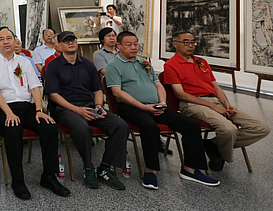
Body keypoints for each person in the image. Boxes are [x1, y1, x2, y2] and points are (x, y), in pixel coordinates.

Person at [106, 31, 219, 189]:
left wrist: (163, 103)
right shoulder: (113, 66)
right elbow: (117, 92)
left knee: (191, 125)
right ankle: (150, 171)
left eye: (135, 44)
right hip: (132, 108)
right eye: (128, 44)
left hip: (156, 105)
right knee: (150, 127)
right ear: (118, 46)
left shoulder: (143, 62)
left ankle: (190, 169)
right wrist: (144, 107)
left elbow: (158, 84)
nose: (133, 47)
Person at [164, 30, 270, 171]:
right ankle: (222, 153)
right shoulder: (171, 65)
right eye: (186, 42)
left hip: (215, 101)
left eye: (193, 42)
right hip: (193, 104)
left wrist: (227, 105)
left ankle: (213, 145)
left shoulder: (202, 62)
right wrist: (213, 107)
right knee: (228, 129)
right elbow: (181, 94)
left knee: (262, 128)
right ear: (175, 44)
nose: (190, 45)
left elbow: (216, 87)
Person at [0, 28, 69, 199]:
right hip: (3, 109)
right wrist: (9, 113)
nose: (6, 41)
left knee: (49, 126)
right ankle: (18, 180)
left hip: (26, 107)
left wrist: (39, 110)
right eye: (2, 39)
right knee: (14, 130)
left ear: (16, 41)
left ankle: (49, 176)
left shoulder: (25, 62)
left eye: (9, 38)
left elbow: (35, 87)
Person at [44, 31, 129, 190]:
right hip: (65, 108)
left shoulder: (88, 64)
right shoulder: (53, 66)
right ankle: (88, 167)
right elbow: (54, 95)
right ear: (60, 46)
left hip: (90, 105)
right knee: (83, 129)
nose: (71, 43)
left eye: (73, 40)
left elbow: (98, 90)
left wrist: (98, 106)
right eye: (66, 41)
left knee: (120, 125)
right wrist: (77, 110)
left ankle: (105, 167)